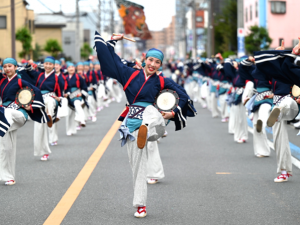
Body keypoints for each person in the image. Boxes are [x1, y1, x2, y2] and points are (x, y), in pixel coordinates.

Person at [94, 32, 196, 218]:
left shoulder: (163, 81)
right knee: (137, 167)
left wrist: (172, 113)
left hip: (154, 121)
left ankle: (147, 128)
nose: (153, 65)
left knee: (150, 112)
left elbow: (184, 96)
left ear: (160, 65)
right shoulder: (129, 74)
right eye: (150, 60)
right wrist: (112, 41)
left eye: (157, 62)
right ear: (144, 59)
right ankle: (140, 205)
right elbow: (111, 60)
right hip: (131, 123)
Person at [0, 58, 49, 185]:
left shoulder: (21, 81)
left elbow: (36, 92)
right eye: (5, 67)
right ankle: (8, 177)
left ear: (16, 67)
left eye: (10, 66)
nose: (7, 69)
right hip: (5, 117)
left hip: (19, 115)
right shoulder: (2, 82)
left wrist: (30, 106)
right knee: (5, 147)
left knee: (7, 112)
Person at [65, 63, 88, 135]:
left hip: (77, 94)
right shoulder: (65, 78)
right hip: (68, 96)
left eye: (72, 67)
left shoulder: (79, 77)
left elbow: (84, 87)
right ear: (67, 69)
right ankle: (70, 130)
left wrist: (81, 93)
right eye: (69, 67)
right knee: (69, 114)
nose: (71, 68)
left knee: (77, 104)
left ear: (74, 68)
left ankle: (82, 120)